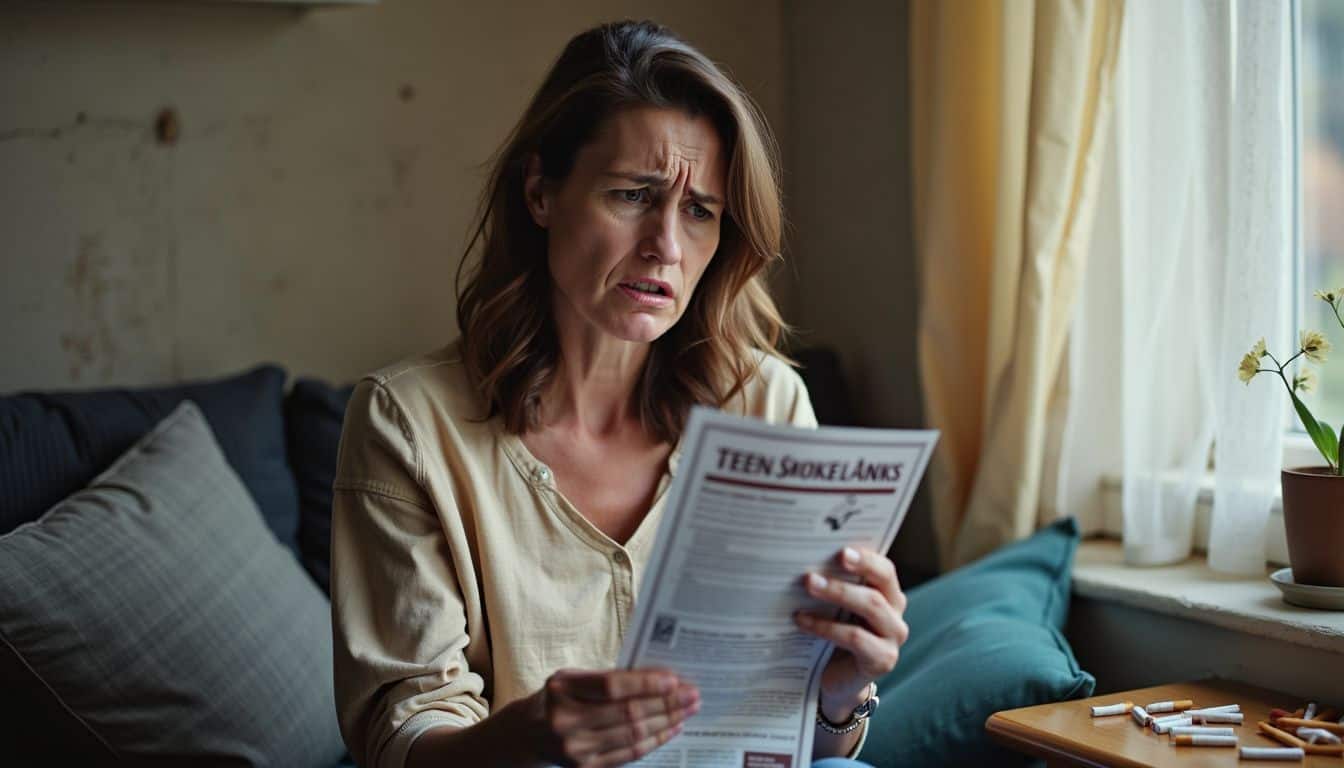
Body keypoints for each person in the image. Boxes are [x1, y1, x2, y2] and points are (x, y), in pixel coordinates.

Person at [330, 19, 909, 768]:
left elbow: (804, 743)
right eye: (634, 194)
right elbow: (398, 738)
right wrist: (529, 735)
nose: (666, 246)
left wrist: (840, 694)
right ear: (541, 192)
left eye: (699, 210)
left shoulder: (766, 404)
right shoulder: (407, 423)